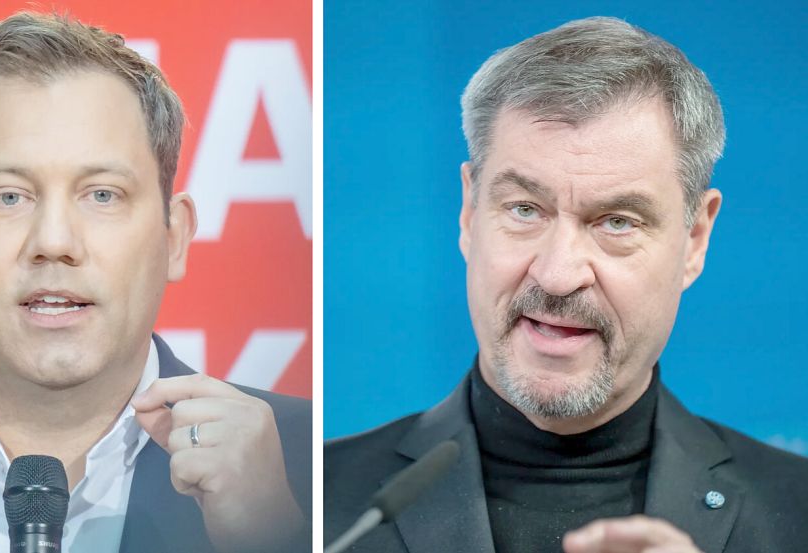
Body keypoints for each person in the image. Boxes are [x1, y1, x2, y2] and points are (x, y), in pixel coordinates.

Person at [0, 11, 310, 553]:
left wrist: (276, 539)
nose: (54, 241)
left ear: (174, 237)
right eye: (9, 196)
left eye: (102, 194)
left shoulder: (315, 471)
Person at [325, 16, 807, 553]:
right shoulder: (314, 507)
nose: (557, 275)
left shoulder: (798, 513)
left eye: (617, 221)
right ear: (468, 212)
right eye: (526, 209)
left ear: (694, 238)